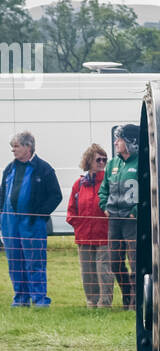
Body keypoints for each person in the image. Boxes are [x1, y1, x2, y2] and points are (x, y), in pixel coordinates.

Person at [0, 131, 62, 307]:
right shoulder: (9, 168)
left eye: (16, 146)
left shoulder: (43, 168)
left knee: (34, 262)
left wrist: (41, 214)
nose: (13, 150)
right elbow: (2, 193)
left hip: (32, 223)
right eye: (12, 147)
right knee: (15, 261)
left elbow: (55, 195)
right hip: (10, 223)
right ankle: (20, 298)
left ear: (28, 147)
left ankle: (40, 299)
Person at [67, 144, 113, 307]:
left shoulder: (109, 182)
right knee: (88, 271)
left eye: (104, 159)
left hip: (104, 234)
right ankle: (91, 301)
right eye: (98, 159)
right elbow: (71, 210)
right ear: (89, 161)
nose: (102, 163)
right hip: (84, 235)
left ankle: (105, 302)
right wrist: (77, 224)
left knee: (104, 270)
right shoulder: (79, 184)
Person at [99, 124, 139, 310]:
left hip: (132, 220)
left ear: (131, 142)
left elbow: (148, 191)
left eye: (120, 139)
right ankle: (127, 295)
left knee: (135, 261)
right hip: (114, 219)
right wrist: (104, 206)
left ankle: (135, 301)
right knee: (115, 261)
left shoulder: (142, 162)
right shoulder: (113, 164)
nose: (116, 142)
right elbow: (103, 190)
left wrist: (136, 211)